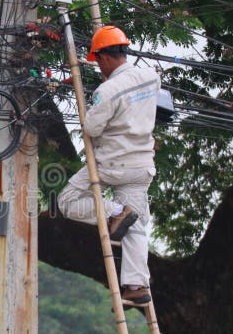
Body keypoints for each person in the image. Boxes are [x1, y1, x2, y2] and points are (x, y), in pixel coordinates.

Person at [57, 25, 159, 306]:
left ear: (103, 57)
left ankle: (116, 211)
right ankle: (137, 285)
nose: (99, 67)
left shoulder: (108, 89)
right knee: (136, 223)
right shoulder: (151, 78)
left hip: (112, 163)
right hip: (142, 166)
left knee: (68, 202)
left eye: (98, 61)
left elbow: (91, 127)